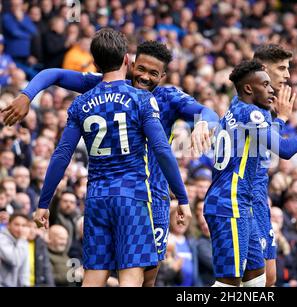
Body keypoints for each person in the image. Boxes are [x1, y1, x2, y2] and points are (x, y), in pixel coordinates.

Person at [2, 40, 218, 287]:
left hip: (151, 201)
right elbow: (55, 73)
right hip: (131, 197)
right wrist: (27, 94)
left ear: (163, 75)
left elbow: (208, 113)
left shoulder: (168, 97)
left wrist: (203, 122)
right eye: (142, 69)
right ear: (130, 63)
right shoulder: (107, 86)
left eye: (154, 73)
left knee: (146, 278)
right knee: (125, 275)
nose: (145, 77)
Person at [204, 60, 297, 287]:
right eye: (266, 84)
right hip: (228, 204)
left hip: (241, 204)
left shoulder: (236, 106)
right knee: (229, 284)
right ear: (249, 88)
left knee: (259, 280)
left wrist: (279, 120)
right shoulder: (251, 114)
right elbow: (285, 150)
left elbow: (262, 145)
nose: (272, 90)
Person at [252, 44, 292, 287]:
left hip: (259, 196)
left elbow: (264, 148)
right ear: (264, 69)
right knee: (252, 280)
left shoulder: (265, 106)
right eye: (282, 68)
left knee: (269, 278)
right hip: (244, 199)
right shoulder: (252, 106)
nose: (287, 74)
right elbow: (283, 149)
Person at [0, 213, 29, 287]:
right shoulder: (1, 239)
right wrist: (22, 239)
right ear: (8, 225)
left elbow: (24, 271)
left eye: (24, 226)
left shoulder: (22, 241)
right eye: (16, 225)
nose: (20, 229)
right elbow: (15, 260)